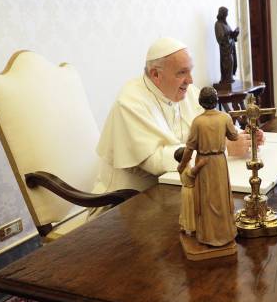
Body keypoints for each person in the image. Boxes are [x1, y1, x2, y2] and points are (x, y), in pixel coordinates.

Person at [93, 37, 259, 196]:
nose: (190, 80)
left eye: (190, 71)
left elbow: (213, 122)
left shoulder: (187, 92)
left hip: (177, 187)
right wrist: (224, 148)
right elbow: (155, 161)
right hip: (131, 200)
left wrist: (243, 136)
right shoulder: (129, 103)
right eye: (182, 72)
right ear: (156, 75)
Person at [177, 87, 238, 247]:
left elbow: (189, 147)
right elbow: (234, 136)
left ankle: (209, 235)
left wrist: (182, 165)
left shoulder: (198, 121)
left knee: (207, 198)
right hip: (219, 162)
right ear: (216, 100)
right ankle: (225, 233)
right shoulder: (224, 117)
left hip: (203, 163)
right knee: (222, 197)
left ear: (201, 102)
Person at [174, 148, 207, 236]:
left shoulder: (180, 167)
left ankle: (183, 225)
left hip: (184, 190)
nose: (191, 157)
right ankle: (193, 228)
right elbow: (193, 171)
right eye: (189, 156)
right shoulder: (187, 169)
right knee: (191, 209)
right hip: (190, 191)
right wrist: (201, 164)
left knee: (185, 209)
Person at [215, 7, 239, 84]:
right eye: (225, 14)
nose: (226, 16)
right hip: (225, 50)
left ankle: (230, 78)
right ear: (222, 14)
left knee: (232, 62)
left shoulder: (226, 24)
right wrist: (230, 34)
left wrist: (234, 33)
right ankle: (226, 79)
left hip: (231, 48)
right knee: (228, 63)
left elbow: (230, 34)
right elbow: (221, 38)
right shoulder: (218, 24)